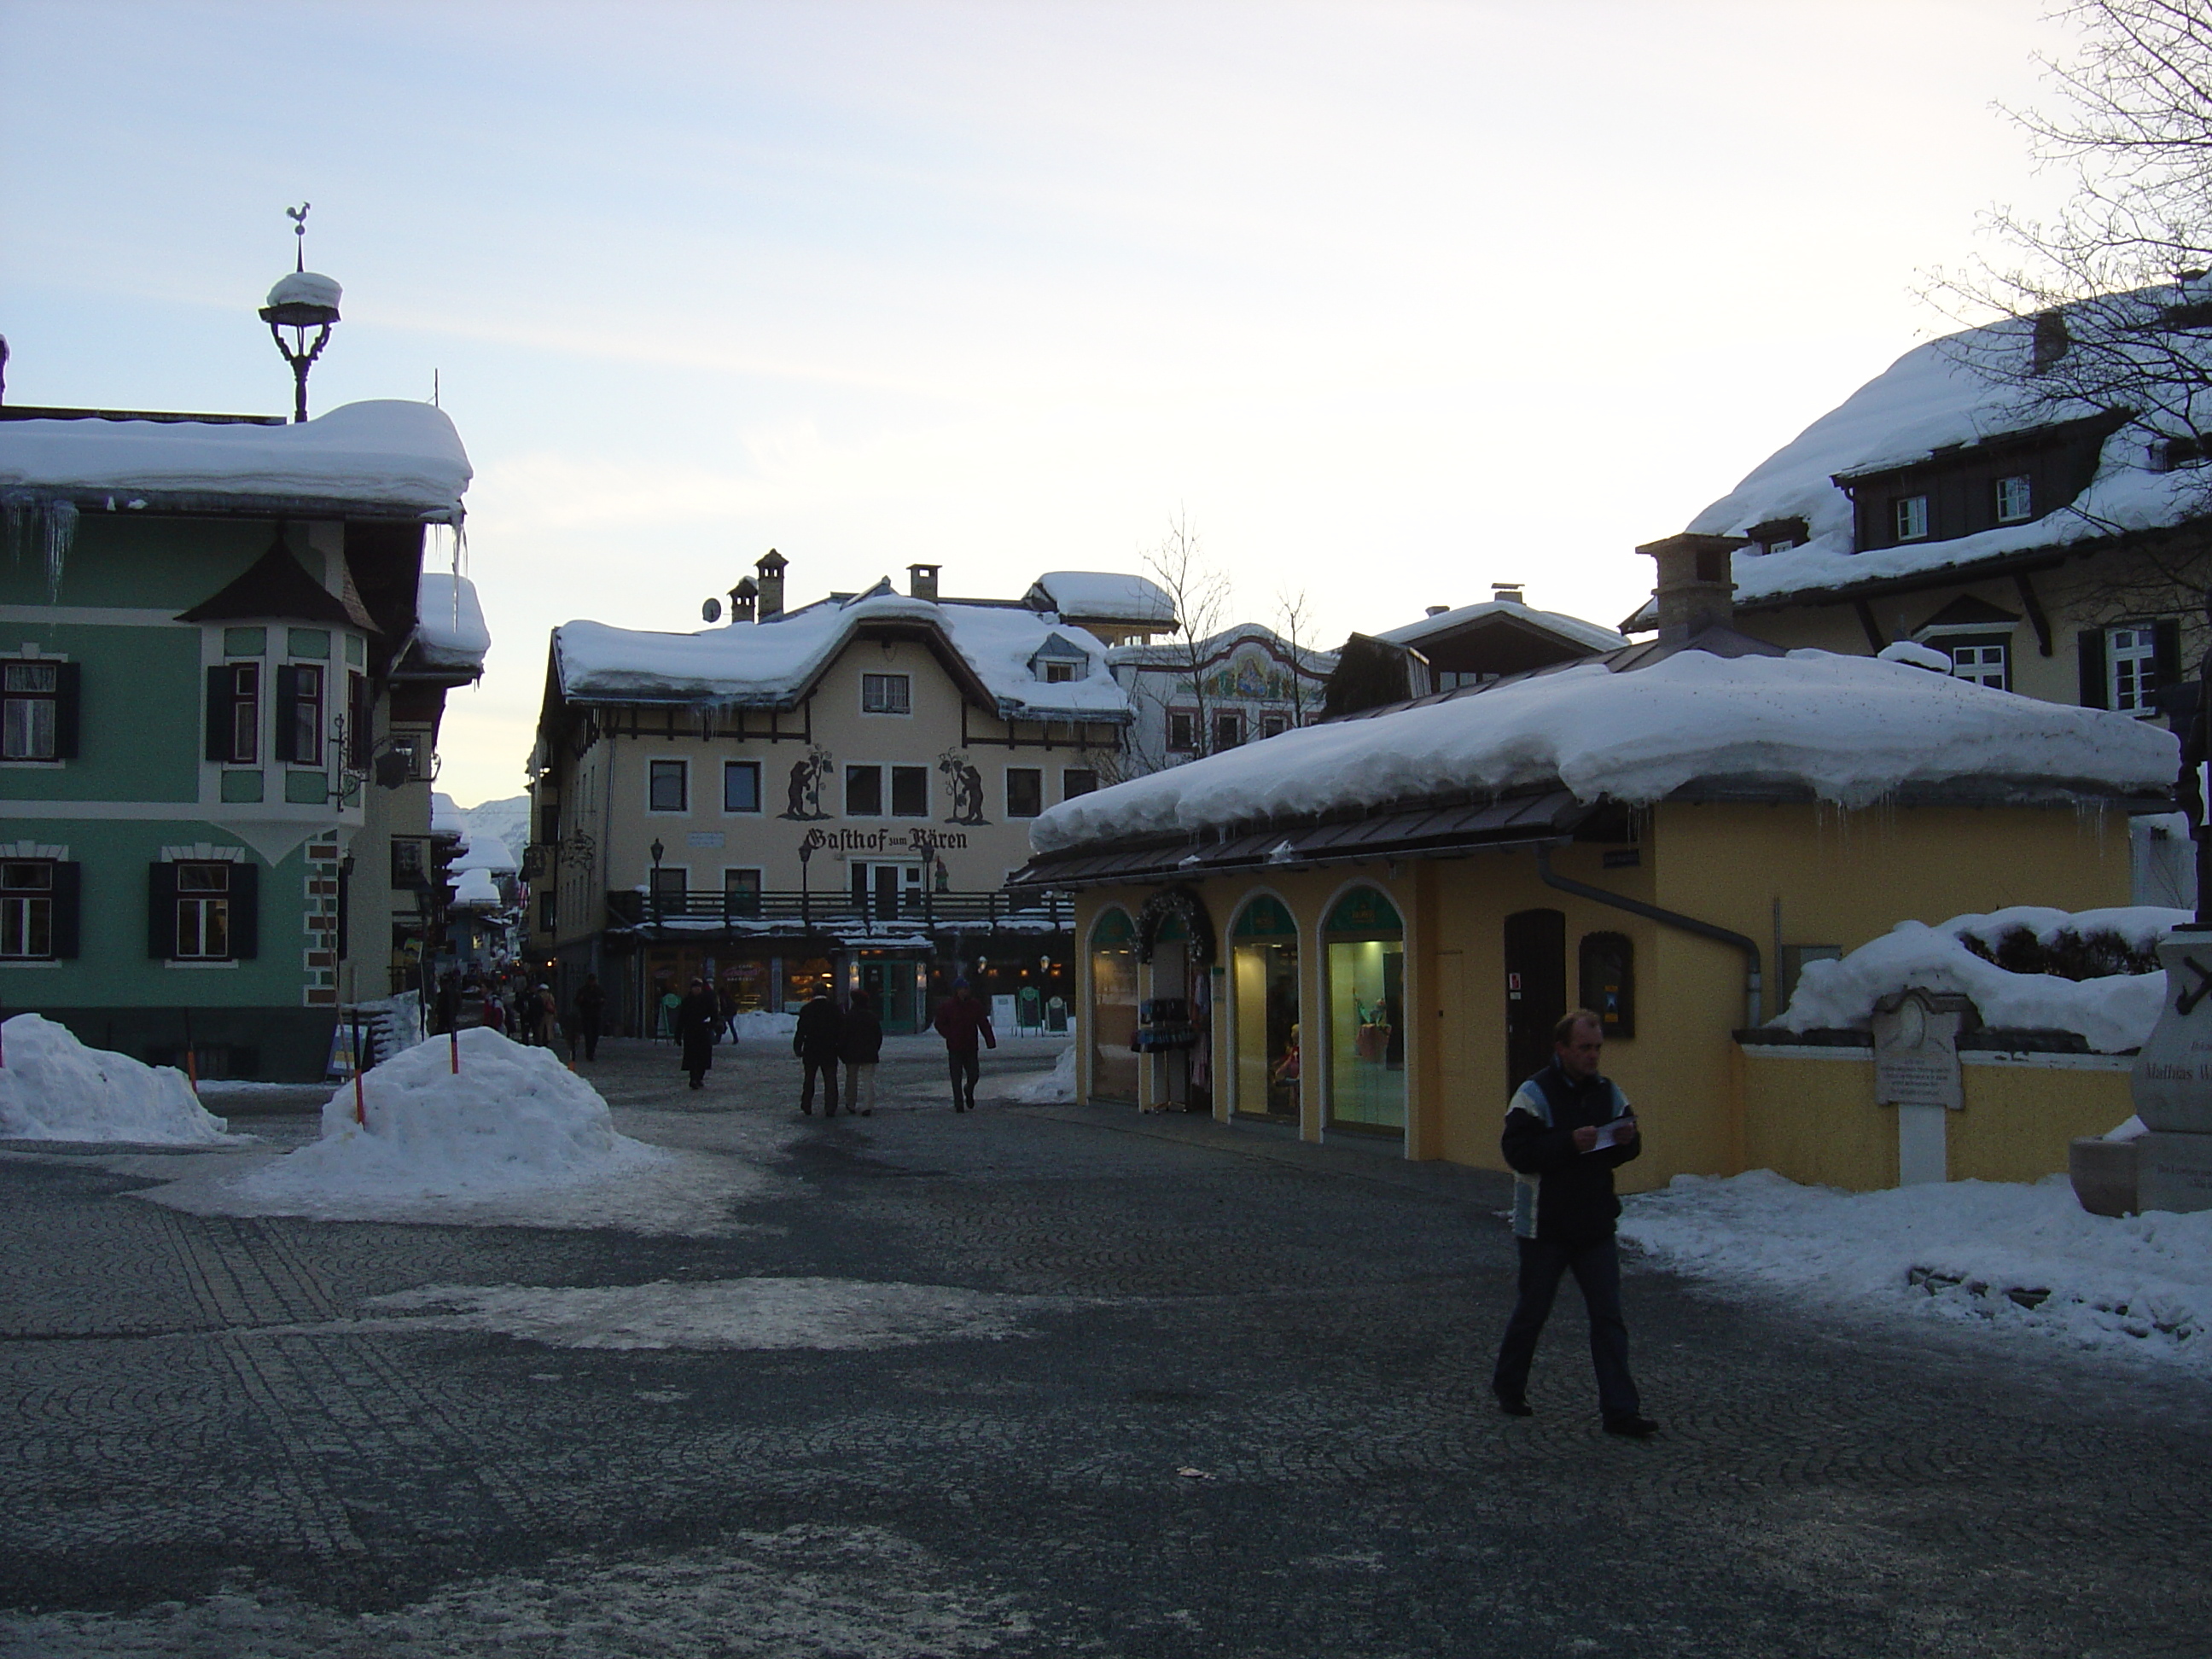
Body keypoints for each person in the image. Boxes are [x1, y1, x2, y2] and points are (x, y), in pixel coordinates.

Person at [1492, 1009, 1657, 1438]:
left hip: (1594, 1225)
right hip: (1545, 1225)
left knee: (1609, 1318)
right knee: (1533, 1311)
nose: (1593, 1055)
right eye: (1584, 1047)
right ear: (1561, 1048)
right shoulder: (1533, 1094)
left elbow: (1626, 1146)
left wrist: (1626, 1141)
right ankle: (1509, 1386)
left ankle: (1621, 1412)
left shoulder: (1608, 1092)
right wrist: (1567, 1143)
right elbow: (1517, 1153)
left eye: (1597, 1047)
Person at [931, 979, 995, 1112]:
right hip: (954, 1046)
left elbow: (983, 1023)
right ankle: (958, 1103)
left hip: (971, 1045)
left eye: (966, 989)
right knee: (956, 1077)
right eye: (962, 989)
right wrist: (949, 1034)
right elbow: (939, 1023)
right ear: (956, 991)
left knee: (974, 1074)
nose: (964, 991)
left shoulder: (975, 1005)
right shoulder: (948, 1006)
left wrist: (990, 1040)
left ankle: (969, 1089)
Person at [794, 985, 842, 1115]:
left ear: (813, 993)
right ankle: (830, 1107)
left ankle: (806, 1104)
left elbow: (801, 1030)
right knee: (830, 1080)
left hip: (811, 1049)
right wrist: (841, 1048)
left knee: (809, 1078)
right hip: (829, 1049)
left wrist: (798, 1047)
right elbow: (840, 1030)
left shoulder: (807, 1009)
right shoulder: (834, 1009)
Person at [841, 989, 883, 1118]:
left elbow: (843, 1036)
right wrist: (875, 1049)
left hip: (851, 1053)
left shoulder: (848, 1016)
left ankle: (851, 1103)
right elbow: (878, 1036)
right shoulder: (872, 1017)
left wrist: (842, 1051)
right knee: (868, 1080)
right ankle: (867, 1105)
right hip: (869, 1053)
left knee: (851, 1078)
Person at [675, 976, 720, 1090]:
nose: (696, 990)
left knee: (703, 1057)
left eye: (698, 988)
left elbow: (714, 1015)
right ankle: (693, 1078)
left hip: (703, 1032)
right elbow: (681, 1018)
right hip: (690, 1032)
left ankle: (699, 1077)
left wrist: (712, 1025)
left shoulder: (707, 1000)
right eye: (695, 988)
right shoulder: (687, 1001)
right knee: (692, 1057)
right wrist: (678, 1034)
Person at [573, 974, 606, 1062]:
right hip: (586, 1015)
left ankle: (592, 1051)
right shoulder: (583, 990)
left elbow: (604, 1000)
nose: (592, 982)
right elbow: (577, 1001)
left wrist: (600, 1002)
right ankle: (589, 1053)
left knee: (595, 1035)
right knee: (588, 1035)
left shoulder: (599, 990)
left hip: (596, 1015)